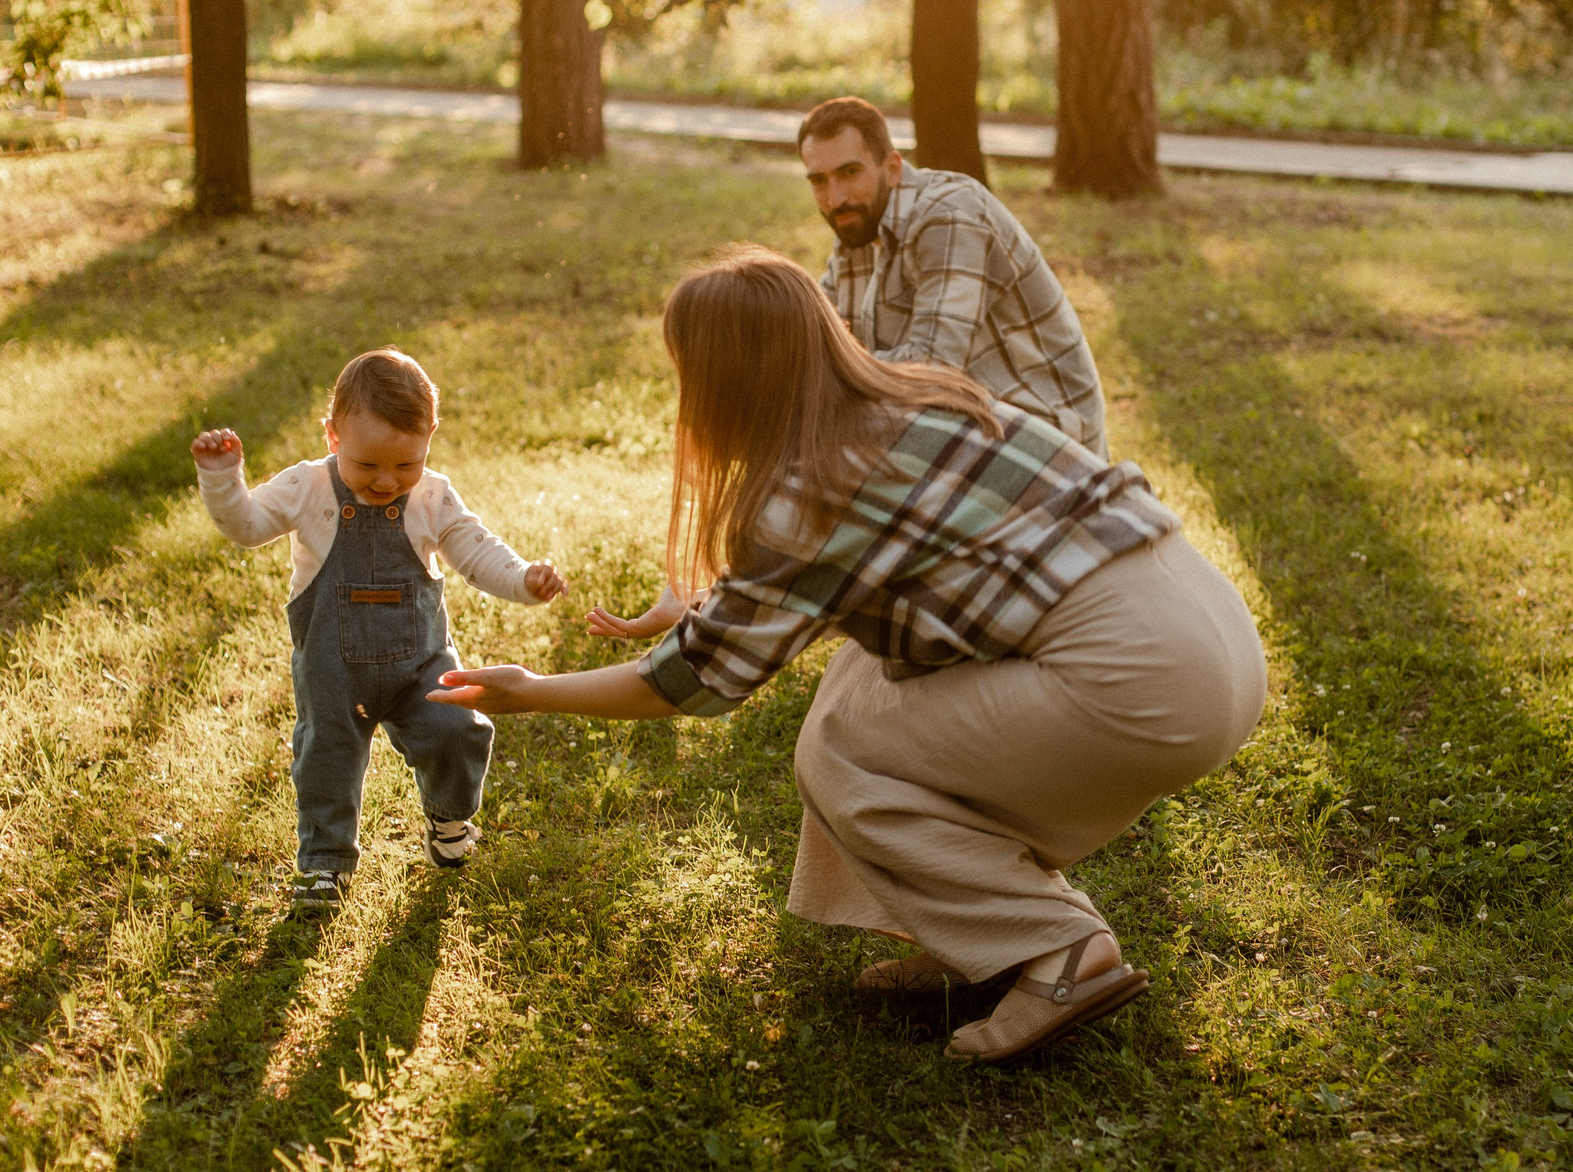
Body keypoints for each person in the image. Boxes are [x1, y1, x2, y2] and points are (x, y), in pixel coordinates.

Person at [429, 248, 1267, 1065]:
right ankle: (978, 937)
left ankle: (1061, 951)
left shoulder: (815, 484)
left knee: (843, 752)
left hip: (1140, 678)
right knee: (856, 686)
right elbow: (837, 584)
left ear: (724, 381)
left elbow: (687, 683)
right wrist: (702, 600)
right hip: (1208, 629)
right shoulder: (916, 394)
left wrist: (530, 689)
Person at [191, 349, 568, 907]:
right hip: (332, 669)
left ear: (429, 438)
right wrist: (222, 479)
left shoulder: (433, 495)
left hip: (422, 664)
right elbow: (246, 526)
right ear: (333, 436)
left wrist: (524, 579)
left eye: (405, 465)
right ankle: (324, 861)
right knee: (326, 758)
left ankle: (448, 820)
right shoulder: (307, 488)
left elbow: (477, 553)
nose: (387, 481)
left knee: (458, 730)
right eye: (367, 465)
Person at [800, 95, 1110, 459]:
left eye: (850, 173)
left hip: (1049, 437)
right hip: (971, 421)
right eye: (819, 181)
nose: (835, 198)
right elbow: (815, 340)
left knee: (827, 456)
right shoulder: (857, 227)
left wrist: (827, 371)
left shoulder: (949, 215)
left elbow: (933, 370)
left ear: (893, 168)